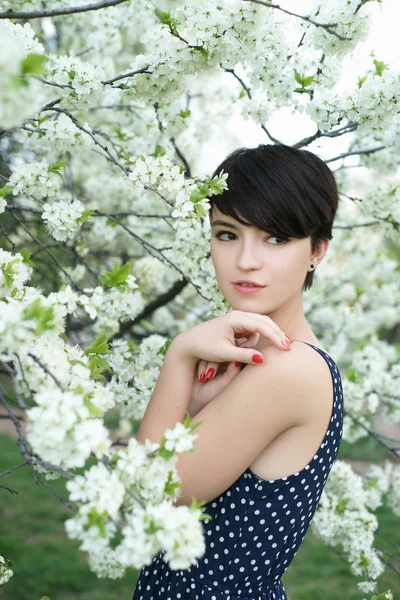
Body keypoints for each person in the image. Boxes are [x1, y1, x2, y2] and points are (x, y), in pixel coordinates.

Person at [132, 143, 344, 600]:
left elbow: (148, 489)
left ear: (317, 251)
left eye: (277, 238)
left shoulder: (289, 369)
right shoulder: (262, 360)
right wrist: (191, 405)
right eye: (227, 234)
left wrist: (180, 354)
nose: (246, 260)